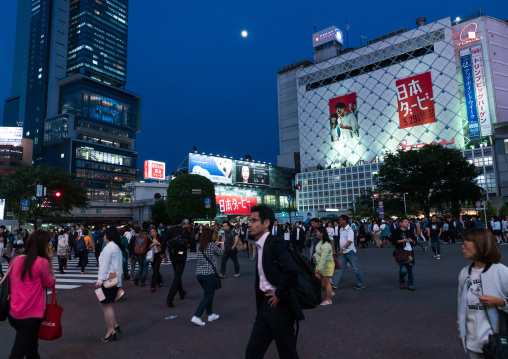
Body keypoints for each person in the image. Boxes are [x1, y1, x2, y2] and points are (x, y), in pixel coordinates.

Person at [245, 205, 304, 359]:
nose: (249, 224)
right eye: (249, 220)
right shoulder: (261, 244)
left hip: (279, 307)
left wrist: (279, 293)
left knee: (287, 353)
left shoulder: (273, 243)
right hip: (265, 306)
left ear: (266, 223)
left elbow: (291, 268)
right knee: (252, 353)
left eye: (253, 220)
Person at [457, 228, 508, 358]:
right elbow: (461, 307)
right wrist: (461, 332)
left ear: (481, 244)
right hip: (473, 343)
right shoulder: (464, 273)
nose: (462, 246)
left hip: (498, 344)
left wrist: (500, 302)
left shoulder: (501, 272)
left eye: (466, 242)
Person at [7, 230, 56, 358]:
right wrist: (50, 261)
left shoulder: (15, 260)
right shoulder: (41, 262)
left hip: (14, 312)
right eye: (48, 244)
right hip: (30, 315)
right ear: (42, 245)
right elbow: (50, 283)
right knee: (18, 352)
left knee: (31, 348)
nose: (50, 246)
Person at [95, 227, 123, 342]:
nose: (103, 237)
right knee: (103, 302)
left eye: (104, 235)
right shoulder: (116, 247)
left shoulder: (109, 248)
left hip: (107, 280)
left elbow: (105, 266)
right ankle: (114, 324)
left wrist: (100, 280)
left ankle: (111, 330)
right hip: (113, 280)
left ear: (108, 236)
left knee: (106, 305)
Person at [191, 229, 225, 326]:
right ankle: (196, 316)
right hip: (209, 274)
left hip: (200, 274)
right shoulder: (211, 245)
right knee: (208, 296)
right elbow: (221, 252)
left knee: (208, 295)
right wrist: (222, 243)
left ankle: (210, 314)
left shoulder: (200, 246)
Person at [331, 215, 367, 290]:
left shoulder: (349, 230)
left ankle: (361, 283)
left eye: (340, 220)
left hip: (350, 252)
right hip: (343, 253)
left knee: (356, 268)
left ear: (345, 221)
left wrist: (342, 248)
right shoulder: (341, 229)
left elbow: (350, 241)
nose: (339, 221)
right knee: (339, 268)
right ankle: (334, 283)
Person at [164, 215, 188, 308]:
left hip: (173, 254)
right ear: (181, 221)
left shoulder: (170, 231)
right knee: (178, 275)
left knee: (177, 274)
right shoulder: (184, 230)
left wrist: (163, 253)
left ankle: (181, 292)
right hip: (182, 254)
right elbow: (191, 242)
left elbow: (164, 242)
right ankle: (170, 298)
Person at [391, 218, 416, 291]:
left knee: (411, 269)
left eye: (408, 222)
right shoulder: (396, 231)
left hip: (410, 252)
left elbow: (415, 242)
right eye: (405, 222)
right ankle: (402, 280)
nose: (407, 224)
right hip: (401, 252)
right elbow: (393, 241)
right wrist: (402, 240)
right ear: (401, 223)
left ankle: (410, 284)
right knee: (403, 270)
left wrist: (412, 241)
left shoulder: (410, 232)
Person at [315, 227, 335, 306]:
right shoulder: (320, 241)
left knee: (327, 283)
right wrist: (314, 255)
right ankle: (329, 292)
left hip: (327, 265)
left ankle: (328, 300)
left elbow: (324, 258)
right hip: (320, 264)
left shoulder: (326, 244)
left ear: (322, 233)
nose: (316, 233)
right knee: (319, 281)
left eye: (317, 232)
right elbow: (319, 253)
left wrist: (319, 269)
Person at [148, 227, 164, 292]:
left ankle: (153, 286)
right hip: (152, 255)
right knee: (155, 269)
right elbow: (147, 247)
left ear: (156, 232)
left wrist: (158, 243)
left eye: (153, 232)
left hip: (158, 255)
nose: (152, 233)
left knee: (156, 269)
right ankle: (160, 281)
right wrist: (152, 244)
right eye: (151, 232)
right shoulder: (149, 239)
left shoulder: (160, 238)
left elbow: (164, 246)